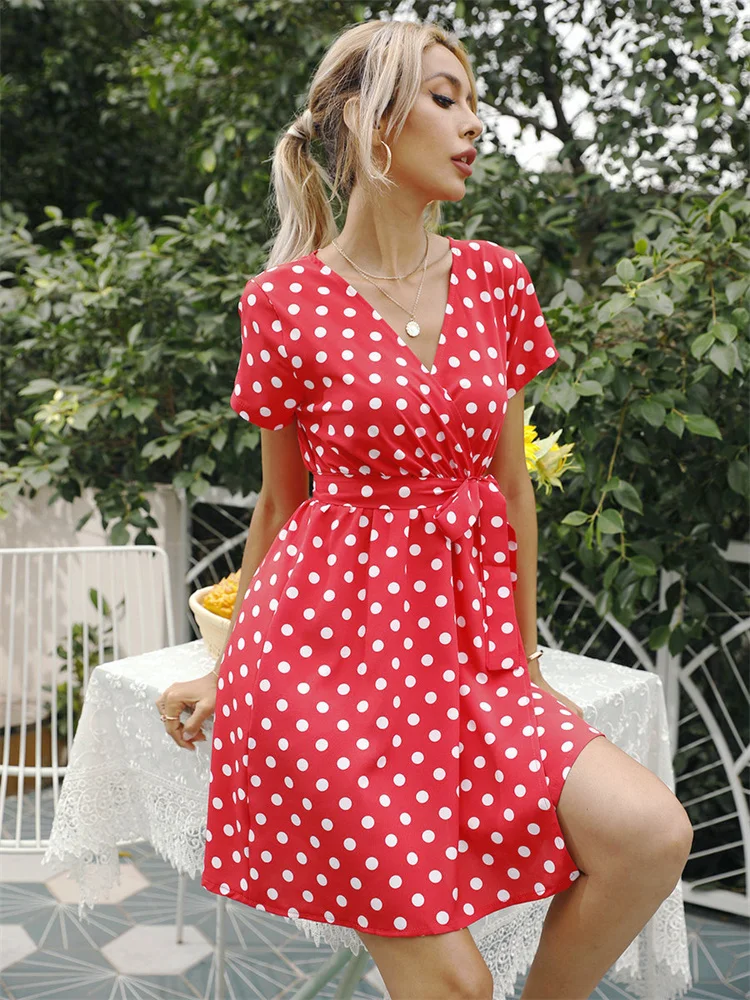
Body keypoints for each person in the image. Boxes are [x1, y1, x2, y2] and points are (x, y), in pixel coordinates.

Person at [155, 18, 693, 1000]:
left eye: (473, 101)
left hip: (470, 658)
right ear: (371, 121)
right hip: (325, 667)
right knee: (455, 986)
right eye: (446, 99)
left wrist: (524, 665)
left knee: (651, 835)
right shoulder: (284, 303)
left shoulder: (496, 280)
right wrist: (223, 669)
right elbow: (277, 506)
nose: (473, 124)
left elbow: (514, 492)